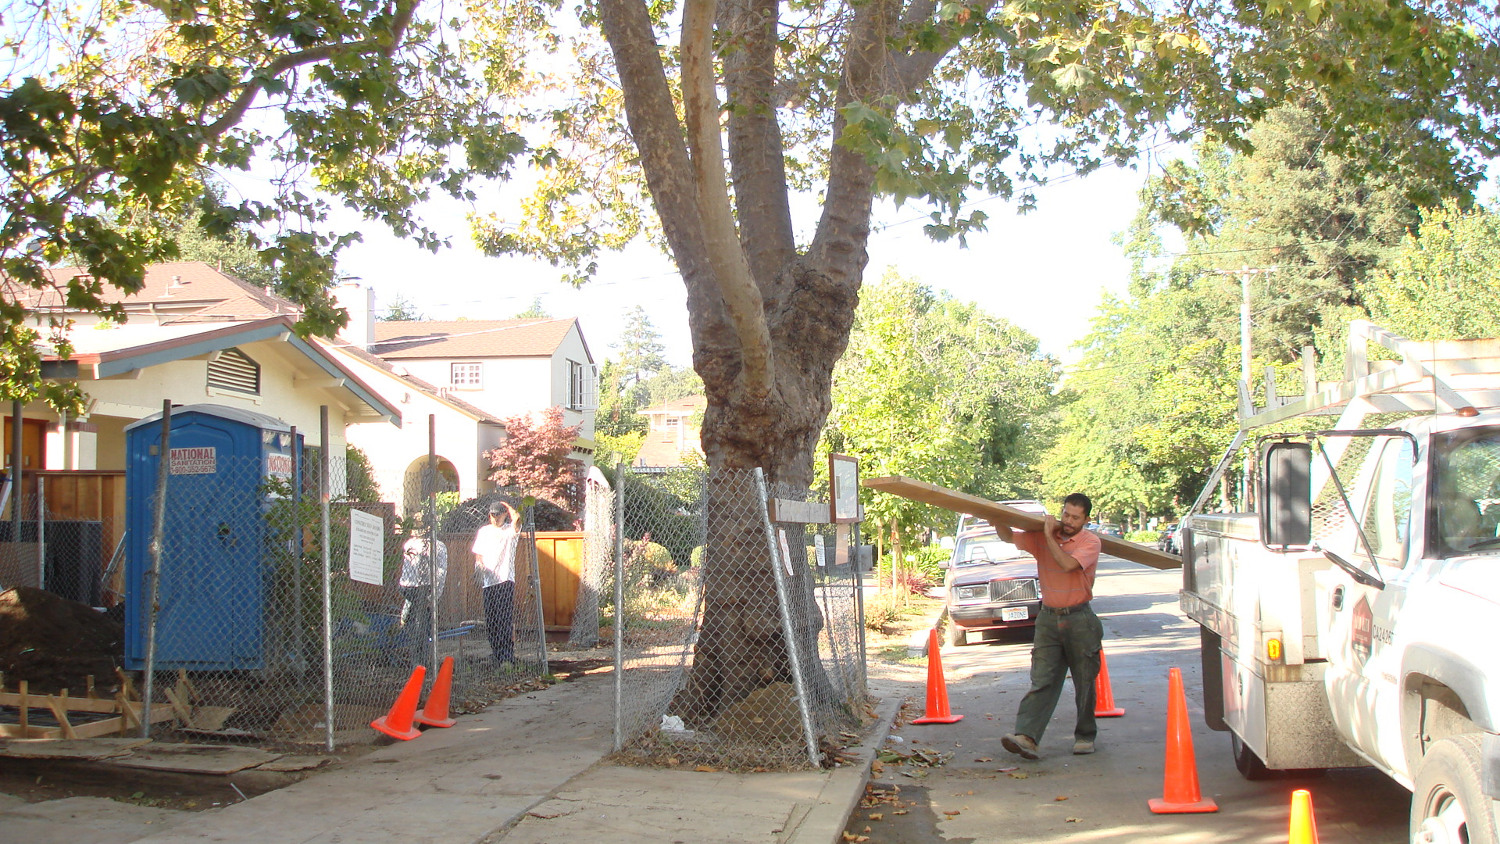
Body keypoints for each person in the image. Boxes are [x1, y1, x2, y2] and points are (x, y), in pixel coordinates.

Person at [997, 492, 1104, 760]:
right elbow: (1007, 536)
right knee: (1042, 678)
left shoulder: (1090, 542)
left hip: (1079, 618)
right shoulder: (1042, 535)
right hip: (1048, 618)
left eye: (1075, 518)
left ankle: (1085, 735)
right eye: (1066, 514)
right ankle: (1027, 737)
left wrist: (1047, 536)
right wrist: (994, 516)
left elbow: (1067, 564)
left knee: (1085, 681)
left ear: (1086, 520)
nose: (1068, 521)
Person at [473, 499, 520, 664]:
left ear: (505, 515)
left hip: (505, 580)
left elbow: (517, 520)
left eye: (498, 515)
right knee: (491, 620)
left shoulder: (509, 531)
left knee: (503, 619)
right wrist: (479, 565)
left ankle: (507, 656)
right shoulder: (484, 531)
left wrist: (510, 508)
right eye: (493, 515)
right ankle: (496, 653)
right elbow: (478, 553)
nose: (495, 518)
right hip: (488, 582)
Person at [398, 513, 449, 657]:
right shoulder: (437, 546)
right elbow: (441, 572)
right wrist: (434, 596)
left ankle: (417, 651)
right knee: (422, 624)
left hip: (408, 587)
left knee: (415, 621)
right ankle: (421, 656)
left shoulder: (410, 544)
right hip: (422, 588)